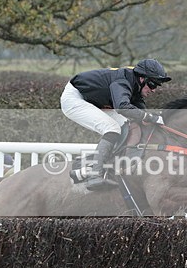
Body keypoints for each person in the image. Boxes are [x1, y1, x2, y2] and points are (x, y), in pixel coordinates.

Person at [60, 58, 172, 189]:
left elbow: (139, 112)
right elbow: (122, 107)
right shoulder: (123, 82)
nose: (154, 90)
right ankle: (94, 175)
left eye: (157, 86)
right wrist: (148, 116)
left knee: (130, 126)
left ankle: (92, 165)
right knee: (112, 128)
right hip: (75, 98)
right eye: (153, 85)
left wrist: (153, 118)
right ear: (142, 79)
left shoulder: (135, 82)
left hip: (93, 99)